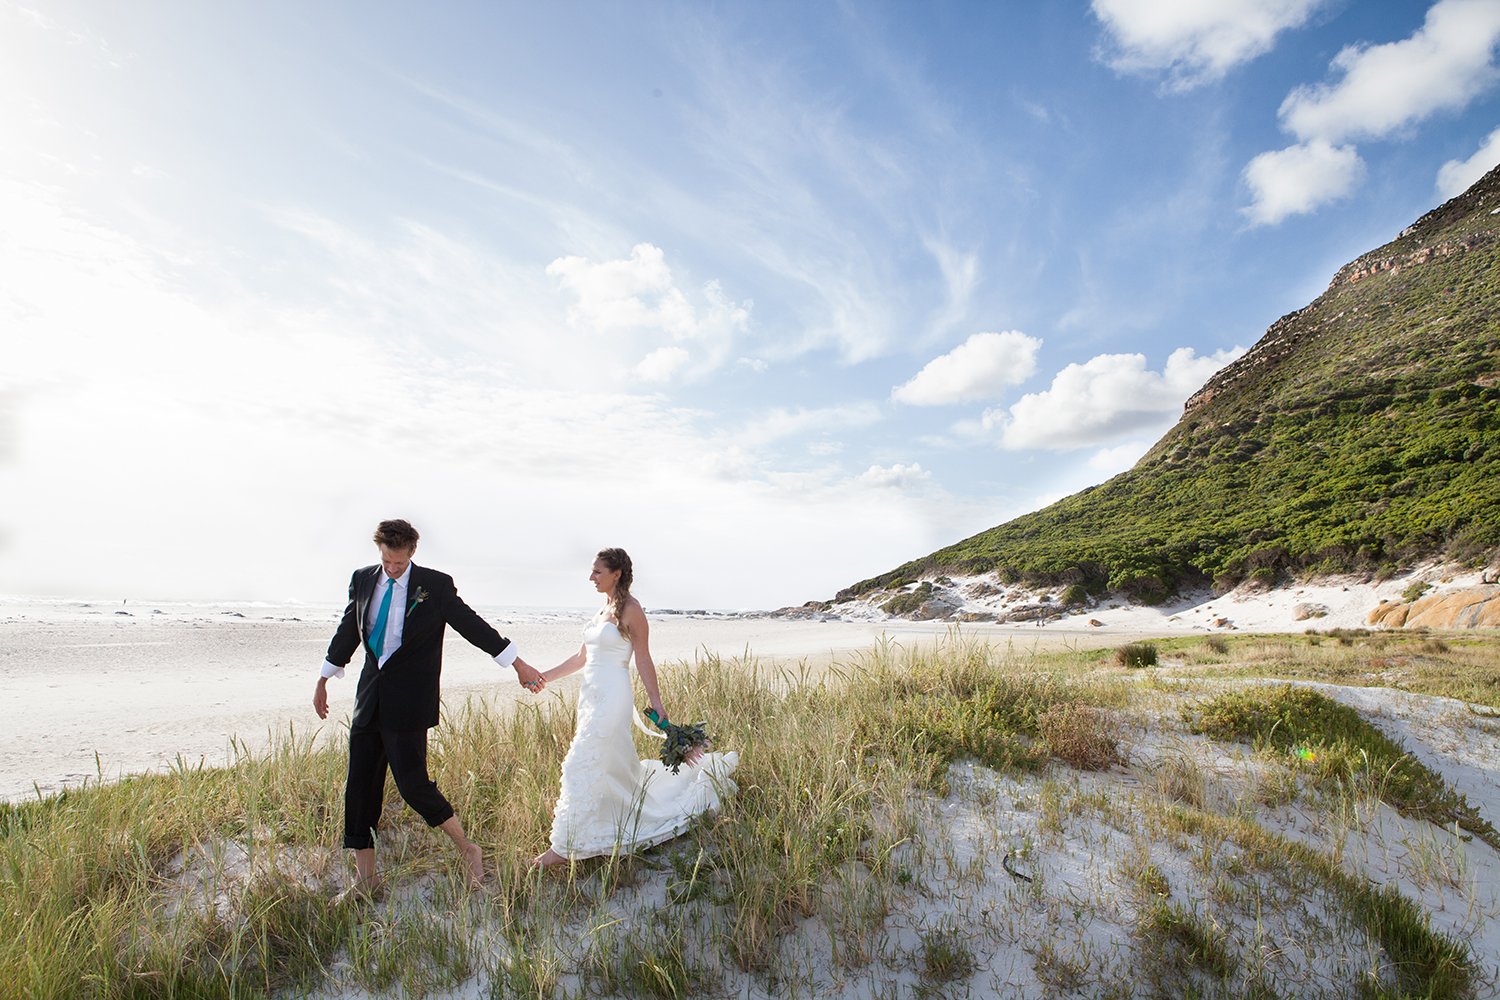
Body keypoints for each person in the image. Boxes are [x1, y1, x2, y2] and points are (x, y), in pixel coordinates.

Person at [313, 519, 545, 896]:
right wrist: (324, 678)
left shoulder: (434, 586)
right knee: (359, 788)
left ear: (412, 553)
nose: (392, 569)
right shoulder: (362, 579)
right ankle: (365, 881)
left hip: (408, 701)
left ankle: (469, 849)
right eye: (387, 562)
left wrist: (517, 664)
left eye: (399, 564)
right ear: (380, 552)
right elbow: (349, 631)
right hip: (369, 698)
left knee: (413, 785)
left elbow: (473, 626)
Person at [532, 547, 738, 868]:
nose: (591, 577)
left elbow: (643, 657)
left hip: (613, 694)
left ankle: (563, 846)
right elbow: (581, 658)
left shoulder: (631, 610)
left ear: (616, 574)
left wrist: (658, 704)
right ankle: (595, 829)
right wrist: (544, 677)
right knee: (603, 764)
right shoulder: (600, 612)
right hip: (590, 695)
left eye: (597, 572)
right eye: (592, 571)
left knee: (579, 761)